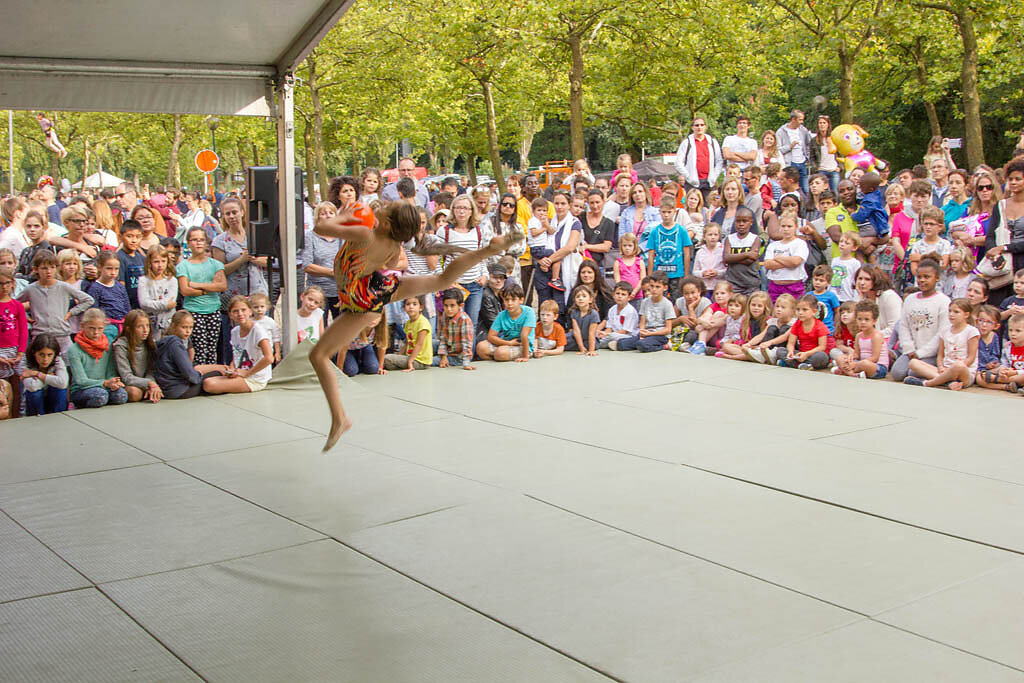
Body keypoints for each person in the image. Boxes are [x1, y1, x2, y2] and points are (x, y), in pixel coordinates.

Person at [310, 201, 519, 449]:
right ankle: (487, 251)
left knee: (318, 355)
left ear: (386, 223)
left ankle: (339, 419)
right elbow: (388, 265)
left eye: (385, 208)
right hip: (383, 287)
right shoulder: (392, 244)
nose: (380, 207)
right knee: (442, 280)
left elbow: (321, 227)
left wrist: (344, 216)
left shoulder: (364, 233)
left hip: (363, 301)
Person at [16, 250, 94, 353]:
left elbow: (88, 300)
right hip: (40, 335)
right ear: (36, 269)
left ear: (56, 268)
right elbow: (13, 304)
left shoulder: (63, 286)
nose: (48, 271)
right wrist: (25, 317)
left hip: (62, 334)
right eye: (44, 268)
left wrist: (71, 313)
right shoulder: (31, 289)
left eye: (52, 267)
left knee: (67, 360)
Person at [891, 258, 950, 382]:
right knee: (897, 373)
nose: (922, 280)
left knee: (913, 371)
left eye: (927, 277)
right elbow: (904, 326)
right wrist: (909, 349)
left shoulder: (943, 301)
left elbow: (942, 332)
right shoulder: (910, 299)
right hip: (911, 352)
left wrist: (921, 353)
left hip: (931, 353)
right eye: (919, 277)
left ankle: (937, 379)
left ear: (937, 278)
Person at [440, 194, 493, 330]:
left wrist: (485, 275)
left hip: (475, 284)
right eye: (458, 208)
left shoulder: (478, 231)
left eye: (465, 208)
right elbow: (438, 259)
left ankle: (471, 345)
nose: (461, 211)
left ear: (471, 211)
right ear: (453, 210)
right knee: (455, 324)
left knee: (471, 324)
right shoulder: (444, 232)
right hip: (455, 285)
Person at [202, 296, 274, 394]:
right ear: (230, 315)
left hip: (254, 378)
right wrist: (232, 368)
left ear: (250, 311)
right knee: (199, 369)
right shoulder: (235, 331)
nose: (240, 314)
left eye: (243, 310)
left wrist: (247, 373)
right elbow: (236, 355)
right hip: (238, 371)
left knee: (209, 384)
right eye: (235, 311)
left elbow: (269, 358)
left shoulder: (258, 331)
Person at [175, 226, 226, 365]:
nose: (198, 243)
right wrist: (209, 288)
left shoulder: (216, 264)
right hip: (194, 311)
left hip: (213, 309)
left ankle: (211, 375)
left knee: (212, 349)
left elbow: (222, 286)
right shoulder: (183, 266)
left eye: (201, 240)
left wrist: (196, 285)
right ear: (188, 243)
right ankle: (199, 375)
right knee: (199, 350)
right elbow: (185, 290)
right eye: (194, 240)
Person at [905, 298, 978, 390]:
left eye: (956, 312)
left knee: (958, 365)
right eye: (950, 311)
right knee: (913, 363)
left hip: (963, 371)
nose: (951, 314)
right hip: (945, 370)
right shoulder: (945, 331)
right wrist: (940, 366)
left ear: (966, 315)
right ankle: (947, 381)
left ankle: (927, 383)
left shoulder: (971, 331)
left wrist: (954, 368)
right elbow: (940, 355)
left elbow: (971, 358)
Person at [154, 310, 227, 399]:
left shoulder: (164, 341)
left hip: (167, 388)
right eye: (184, 327)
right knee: (217, 373)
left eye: (190, 327)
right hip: (179, 390)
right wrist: (199, 375)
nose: (188, 331)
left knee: (209, 369)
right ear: (173, 326)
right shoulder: (175, 344)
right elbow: (190, 375)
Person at [66, 308, 128, 409]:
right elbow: (81, 380)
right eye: (91, 328)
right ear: (82, 326)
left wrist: (113, 382)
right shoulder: (74, 350)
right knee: (100, 396)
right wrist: (105, 383)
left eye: (100, 328)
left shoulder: (107, 346)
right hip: (82, 389)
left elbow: (111, 372)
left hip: (104, 386)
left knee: (121, 395)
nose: (96, 332)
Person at [983, 159, 1024, 304]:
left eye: (1018, 179)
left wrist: (1005, 248)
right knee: (998, 306)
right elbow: (990, 236)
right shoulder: (1000, 205)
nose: (1013, 182)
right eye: (1010, 179)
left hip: (1021, 261)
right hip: (1002, 265)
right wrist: (994, 253)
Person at [302, 202, 343, 325]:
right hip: (317, 292)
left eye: (331, 213)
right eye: (323, 213)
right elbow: (307, 265)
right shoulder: (310, 237)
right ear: (317, 217)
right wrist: (331, 272)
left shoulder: (342, 237)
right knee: (319, 328)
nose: (328, 216)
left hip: (339, 291)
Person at [646, 197, 693, 299]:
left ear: (675, 212)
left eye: (669, 212)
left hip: (677, 274)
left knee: (677, 300)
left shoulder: (682, 231)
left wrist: (686, 275)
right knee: (658, 299)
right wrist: (650, 277)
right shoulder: (654, 232)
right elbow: (651, 256)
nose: (666, 215)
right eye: (663, 212)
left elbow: (687, 254)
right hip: (659, 275)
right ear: (659, 212)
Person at [615, 272, 674, 352]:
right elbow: (642, 322)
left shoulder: (667, 304)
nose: (654, 289)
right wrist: (642, 332)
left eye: (657, 287)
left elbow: (668, 329)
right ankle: (640, 343)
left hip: (660, 335)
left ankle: (664, 346)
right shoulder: (645, 302)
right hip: (646, 333)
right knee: (621, 344)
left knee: (642, 345)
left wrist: (650, 334)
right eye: (652, 286)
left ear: (665, 287)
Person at [476, 283, 535, 363]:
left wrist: (525, 357)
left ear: (521, 300)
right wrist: (509, 343)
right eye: (507, 300)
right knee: (481, 347)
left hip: (523, 346)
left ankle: (501, 356)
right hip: (507, 344)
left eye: (513, 300)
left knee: (500, 353)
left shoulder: (529, 312)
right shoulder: (501, 315)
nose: (509, 303)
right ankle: (499, 358)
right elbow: (491, 336)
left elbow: (524, 335)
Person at [112, 310, 163, 403]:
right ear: (129, 329)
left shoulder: (150, 344)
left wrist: (150, 383)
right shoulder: (120, 346)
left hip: (145, 382)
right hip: (127, 384)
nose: (145, 330)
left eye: (147, 326)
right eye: (140, 326)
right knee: (134, 393)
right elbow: (126, 377)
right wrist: (148, 383)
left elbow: (151, 371)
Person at [834, 300, 888, 379]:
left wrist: (856, 364)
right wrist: (850, 357)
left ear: (874, 321)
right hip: (860, 363)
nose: (863, 322)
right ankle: (853, 374)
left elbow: (875, 358)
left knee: (865, 364)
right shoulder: (859, 336)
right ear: (856, 319)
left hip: (877, 367)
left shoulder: (876, 336)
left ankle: (847, 371)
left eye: (866, 319)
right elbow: (857, 354)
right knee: (840, 358)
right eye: (860, 319)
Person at [0, 266, 28, 416]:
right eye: (0, 283)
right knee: (3, 386)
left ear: (12, 283)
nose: (4, 287)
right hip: (1, 352)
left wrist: (20, 353)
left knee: (18, 385)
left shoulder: (17, 306)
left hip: (16, 350)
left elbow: (23, 330)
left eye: (7, 283)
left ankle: (18, 413)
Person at [764, 212, 809, 303]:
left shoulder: (800, 244)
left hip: (794, 286)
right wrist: (788, 262)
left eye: (789, 226)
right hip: (775, 287)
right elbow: (768, 264)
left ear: (796, 227)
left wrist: (778, 258)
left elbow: (796, 262)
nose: (786, 229)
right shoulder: (773, 245)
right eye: (783, 226)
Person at [777, 294, 831, 370]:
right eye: (798, 309)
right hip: (800, 353)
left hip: (813, 354)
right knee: (780, 351)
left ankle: (796, 364)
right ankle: (801, 365)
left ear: (814, 311)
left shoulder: (820, 326)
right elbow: (791, 343)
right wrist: (790, 351)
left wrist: (806, 354)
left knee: (821, 357)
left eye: (804, 310)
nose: (800, 312)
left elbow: (822, 347)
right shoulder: (797, 324)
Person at [675, 117, 723, 200]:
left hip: (709, 183)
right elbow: (678, 163)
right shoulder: (687, 143)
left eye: (702, 125)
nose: (699, 127)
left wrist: (714, 176)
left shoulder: (712, 142)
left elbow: (719, 161)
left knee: (709, 206)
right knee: (692, 205)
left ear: (705, 126)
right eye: (697, 125)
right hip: (692, 183)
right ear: (692, 127)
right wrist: (688, 176)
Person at [86, 252, 130, 343]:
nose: (113, 272)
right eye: (109, 268)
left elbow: (127, 307)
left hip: (123, 327)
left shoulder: (120, 287)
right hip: (107, 329)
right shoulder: (95, 288)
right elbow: (94, 312)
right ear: (100, 267)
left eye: (116, 269)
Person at [137, 244, 178, 341]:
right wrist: (165, 305)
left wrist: (154, 304)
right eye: (156, 262)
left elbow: (171, 301)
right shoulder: (143, 281)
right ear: (150, 262)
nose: (160, 265)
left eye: (163, 261)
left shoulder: (172, 280)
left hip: (168, 323)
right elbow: (144, 303)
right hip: (150, 324)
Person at [20, 334, 68, 415]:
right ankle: (37, 419)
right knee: (35, 393)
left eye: (49, 355)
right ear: (34, 353)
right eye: (41, 354)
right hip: (34, 404)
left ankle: (58, 416)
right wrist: (51, 377)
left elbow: (63, 383)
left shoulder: (58, 360)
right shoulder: (26, 361)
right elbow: (32, 386)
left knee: (60, 390)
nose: (45, 359)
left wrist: (37, 374)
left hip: (53, 399)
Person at [744, 293, 797, 363]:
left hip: (783, 349)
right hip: (770, 346)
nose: (779, 309)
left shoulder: (794, 323)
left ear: (792, 310)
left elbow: (784, 337)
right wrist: (749, 344)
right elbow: (761, 335)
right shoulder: (773, 321)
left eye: (783, 307)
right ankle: (763, 352)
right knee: (772, 328)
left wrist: (769, 342)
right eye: (777, 306)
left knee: (784, 328)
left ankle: (774, 354)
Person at [717, 291, 770, 361]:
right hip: (746, 347)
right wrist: (743, 345)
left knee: (758, 354)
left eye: (759, 306)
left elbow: (760, 337)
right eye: (753, 305)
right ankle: (745, 355)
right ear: (749, 305)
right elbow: (743, 338)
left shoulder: (768, 321)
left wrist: (749, 345)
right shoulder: (745, 319)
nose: (756, 308)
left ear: (765, 307)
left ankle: (732, 357)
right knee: (726, 346)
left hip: (760, 348)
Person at [723, 207, 761, 296]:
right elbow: (726, 258)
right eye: (738, 221)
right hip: (733, 283)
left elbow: (750, 260)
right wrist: (748, 254)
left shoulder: (755, 238)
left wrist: (733, 259)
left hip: (751, 283)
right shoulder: (729, 239)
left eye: (744, 221)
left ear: (751, 222)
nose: (741, 224)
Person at [850, 172, 888, 259]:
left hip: (870, 227)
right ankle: (871, 262)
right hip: (873, 227)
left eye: (862, 186)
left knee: (858, 246)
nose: (860, 188)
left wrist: (853, 215)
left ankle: (861, 265)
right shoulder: (875, 194)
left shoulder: (869, 201)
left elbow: (861, 215)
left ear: (870, 189)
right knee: (869, 251)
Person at [434, 289, 475, 370]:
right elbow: (443, 338)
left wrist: (466, 364)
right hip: (448, 349)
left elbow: (466, 344)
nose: (449, 309)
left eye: (452, 305)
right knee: (428, 343)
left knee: (430, 361)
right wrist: (443, 356)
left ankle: (414, 361)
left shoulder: (464, 320)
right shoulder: (445, 315)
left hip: (457, 357)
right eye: (446, 305)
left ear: (461, 306)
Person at [527, 196, 562, 290]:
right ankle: (555, 278)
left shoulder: (545, 221)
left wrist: (546, 224)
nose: (542, 213)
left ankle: (545, 267)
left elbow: (552, 231)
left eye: (544, 210)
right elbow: (534, 233)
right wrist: (544, 228)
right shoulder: (533, 221)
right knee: (556, 256)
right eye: (539, 210)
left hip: (542, 247)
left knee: (551, 257)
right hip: (537, 248)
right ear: (533, 211)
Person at [581, 190, 617, 275]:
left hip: (597, 264)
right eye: (592, 203)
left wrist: (586, 246)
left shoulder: (609, 223)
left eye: (597, 202)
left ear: (603, 202)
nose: (595, 206)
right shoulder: (581, 217)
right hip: (580, 262)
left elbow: (606, 247)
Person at [777, 110, 812, 195]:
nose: (802, 122)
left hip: (802, 162)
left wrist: (807, 157)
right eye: (800, 120)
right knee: (791, 188)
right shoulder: (781, 132)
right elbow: (778, 150)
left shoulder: (803, 130)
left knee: (805, 189)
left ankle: (806, 203)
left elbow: (809, 144)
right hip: (790, 163)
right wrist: (790, 146)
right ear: (793, 119)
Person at [597, 281, 640, 349]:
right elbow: (609, 328)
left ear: (629, 297)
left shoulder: (630, 311)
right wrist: (603, 333)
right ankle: (605, 343)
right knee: (598, 335)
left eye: (623, 294)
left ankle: (598, 344)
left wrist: (607, 334)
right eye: (617, 293)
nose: (619, 296)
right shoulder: (612, 309)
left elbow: (624, 331)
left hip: (627, 336)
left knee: (612, 337)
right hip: (612, 335)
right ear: (613, 295)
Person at [15, 210, 54, 282]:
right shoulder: (26, 251)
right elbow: (17, 273)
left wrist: (20, 277)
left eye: (36, 226)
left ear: (43, 228)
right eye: (29, 226)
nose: (32, 229)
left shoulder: (45, 248)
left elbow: (36, 276)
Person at [973, 305, 1002, 387]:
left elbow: (995, 354)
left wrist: (993, 363)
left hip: (990, 369)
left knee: (1003, 370)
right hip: (977, 369)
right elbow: (972, 356)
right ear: (976, 321)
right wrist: (984, 366)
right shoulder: (974, 335)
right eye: (981, 320)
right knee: (979, 378)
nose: (984, 325)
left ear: (996, 326)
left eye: (989, 322)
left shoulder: (994, 336)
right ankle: (1003, 387)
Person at [810, 115, 840, 194]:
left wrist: (840, 166)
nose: (822, 125)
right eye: (820, 123)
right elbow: (811, 157)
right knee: (821, 192)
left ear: (828, 125)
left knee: (835, 192)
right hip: (821, 170)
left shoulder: (834, 138)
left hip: (834, 169)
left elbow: (840, 153)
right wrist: (816, 167)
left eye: (824, 123)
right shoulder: (814, 140)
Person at [566, 286, 599, 355]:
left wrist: (591, 351)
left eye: (584, 296)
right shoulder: (574, 312)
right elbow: (576, 331)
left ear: (590, 299)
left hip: (588, 340)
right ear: (574, 300)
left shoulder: (594, 314)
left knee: (591, 345)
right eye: (578, 297)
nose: (580, 298)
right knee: (562, 340)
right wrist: (581, 347)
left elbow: (591, 333)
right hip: (576, 338)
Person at [614, 233, 645, 306]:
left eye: (630, 245)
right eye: (624, 245)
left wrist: (634, 291)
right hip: (623, 297)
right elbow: (618, 281)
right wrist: (624, 293)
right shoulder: (618, 262)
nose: (627, 248)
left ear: (635, 246)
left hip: (637, 296)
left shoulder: (639, 261)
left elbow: (642, 279)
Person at [809, 264, 841, 333]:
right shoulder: (808, 295)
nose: (817, 282)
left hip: (827, 330)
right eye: (816, 279)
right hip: (812, 330)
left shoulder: (831, 296)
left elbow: (837, 311)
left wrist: (835, 326)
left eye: (821, 280)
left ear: (828, 282)